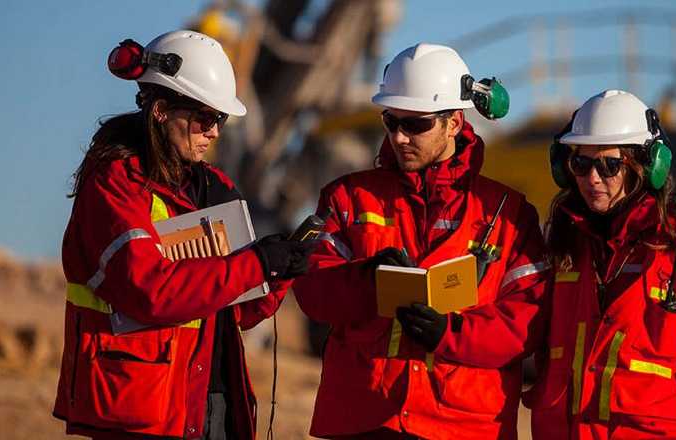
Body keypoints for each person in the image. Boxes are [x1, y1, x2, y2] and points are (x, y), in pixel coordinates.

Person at [52, 30, 313, 439]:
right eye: (205, 117)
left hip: (210, 399)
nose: (215, 132)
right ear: (160, 110)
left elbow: (240, 313)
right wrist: (254, 264)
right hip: (140, 404)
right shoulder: (115, 184)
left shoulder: (214, 188)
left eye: (220, 120)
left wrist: (278, 273)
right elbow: (147, 289)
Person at [291, 43, 551, 439]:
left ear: (454, 123)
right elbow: (313, 292)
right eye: (390, 121)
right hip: (366, 418)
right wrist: (367, 279)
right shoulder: (348, 199)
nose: (399, 136)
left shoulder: (509, 215)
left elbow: (526, 323)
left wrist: (449, 335)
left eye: (416, 124)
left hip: (463, 425)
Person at [524, 89, 676, 439]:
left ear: (646, 166)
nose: (592, 178)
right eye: (581, 163)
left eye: (609, 165)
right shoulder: (561, 248)